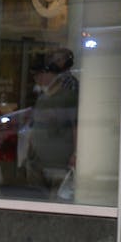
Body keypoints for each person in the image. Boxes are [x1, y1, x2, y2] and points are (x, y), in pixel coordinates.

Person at [26, 48, 79, 197]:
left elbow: (75, 125)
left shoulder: (68, 96)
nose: (36, 79)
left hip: (57, 161)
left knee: (55, 198)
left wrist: (75, 153)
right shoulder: (43, 97)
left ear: (48, 73)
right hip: (38, 160)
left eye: (38, 75)